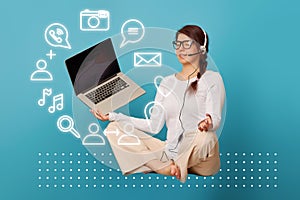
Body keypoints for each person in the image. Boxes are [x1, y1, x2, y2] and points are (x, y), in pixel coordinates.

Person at [91, 25, 225, 183]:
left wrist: (208, 122)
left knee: (207, 138)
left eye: (186, 44)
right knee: (113, 129)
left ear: (201, 49)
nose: (180, 49)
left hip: (201, 157)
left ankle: (165, 165)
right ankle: (162, 166)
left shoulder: (212, 78)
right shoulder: (167, 83)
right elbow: (154, 126)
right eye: (178, 44)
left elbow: (215, 118)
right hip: (170, 153)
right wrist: (113, 116)